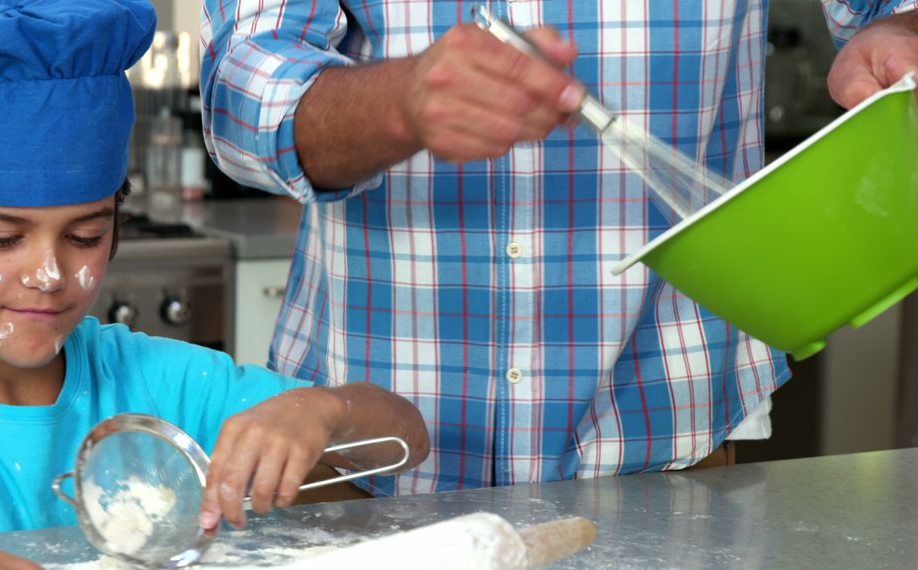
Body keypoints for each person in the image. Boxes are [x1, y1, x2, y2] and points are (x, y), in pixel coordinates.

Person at [198, 0, 918, 495]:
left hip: (671, 459)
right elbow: (238, 96)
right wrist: (397, 102)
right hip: (365, 471)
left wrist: (902, 33)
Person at [0, 1, 429, 568]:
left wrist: (322, 409)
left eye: (85, 236)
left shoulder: (157, 383)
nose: (49, 276)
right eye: (2, 239)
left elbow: (406, 434)